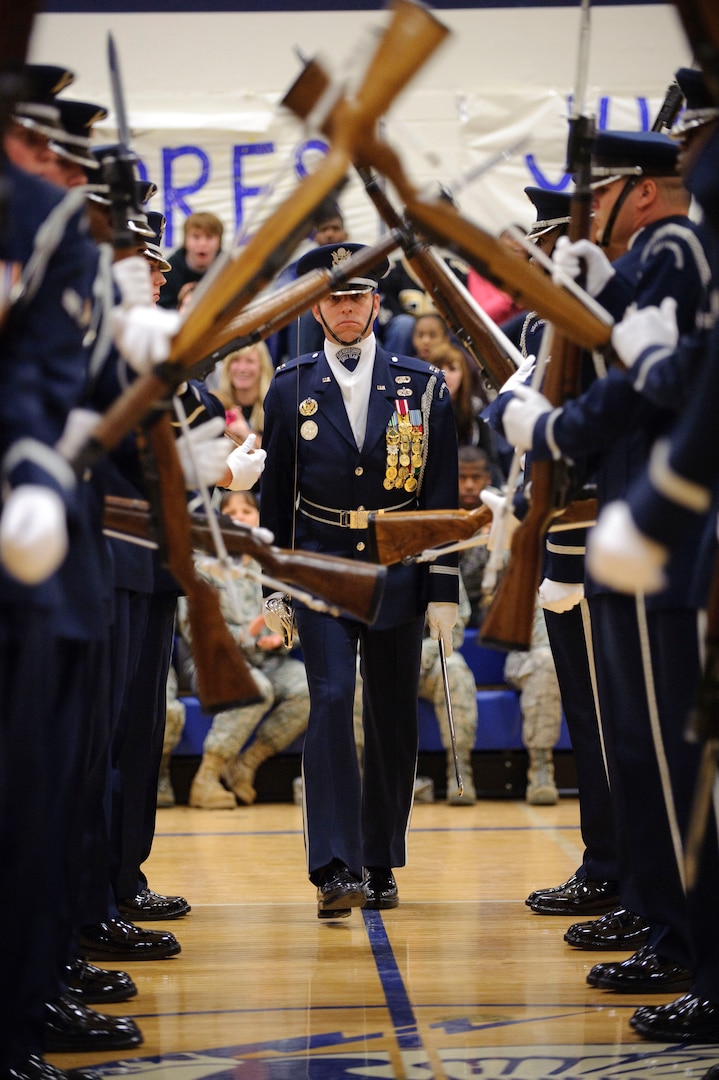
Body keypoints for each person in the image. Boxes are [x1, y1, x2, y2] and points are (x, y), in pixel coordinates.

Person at [493, 127, 714, 1028]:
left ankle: (691, 950)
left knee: (672, 764)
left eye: (598, 197)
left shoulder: (674, 247)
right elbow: (622, 346)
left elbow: (653, 381)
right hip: (632, 527)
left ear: (645, 192)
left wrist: (548, 434)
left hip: (664, 529)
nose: (583, 214)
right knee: (641, 751)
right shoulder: (656, 259)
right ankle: (671, 933)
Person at [0, 62, 143, 1077]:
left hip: (56, 560)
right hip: (35, 547)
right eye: (42, 148)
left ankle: (30, 991)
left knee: (47, 794)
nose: (54, 172)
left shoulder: (52, 247)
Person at [260, 241, 460, 918]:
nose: (346, 309)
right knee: (330, 697)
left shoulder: (423, 384)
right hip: (318, 564)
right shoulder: (288, 385)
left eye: (357, 296)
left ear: (376, 301)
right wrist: (275, 583)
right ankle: (333, 866)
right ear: (315, 306)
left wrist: (441, 590)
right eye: (334, 297)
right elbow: (273, 498)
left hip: (396, 566)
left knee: (391, 717)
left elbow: (438, 500)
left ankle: (378, 860)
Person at [176, 490, 310, 809]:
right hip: (214, 663)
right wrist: (245, 635)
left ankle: (246, 765)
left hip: (268, 659)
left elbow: (299, 615)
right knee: (255, 689)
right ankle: (206, 778)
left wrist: (284, 635)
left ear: (260, 519)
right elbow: (193, 628)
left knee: (311, 687)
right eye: (229, 512)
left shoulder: (273, 563)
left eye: (246, 511)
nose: (238, 517)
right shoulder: (202, 564)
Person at [265, 195, 349, 366]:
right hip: (307, 333)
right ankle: (299, 376)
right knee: (307, 314)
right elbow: (278, 304)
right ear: (315, 236)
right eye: (324, 229)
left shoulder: (360, 264)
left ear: (345, 234)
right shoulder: (297, 270)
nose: (330, 234)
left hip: (349, 325)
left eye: (335, 228)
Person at [156, 210, 224, 310]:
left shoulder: (231, 268)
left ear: (219, 242)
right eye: (196, 237)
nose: (202, 243)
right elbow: (160, 311)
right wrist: (181, 304)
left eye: (209, 237)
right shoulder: (168, 272)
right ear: (185, 241)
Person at [216, 341, 275, 451]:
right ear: (227, 367)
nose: (242, 368)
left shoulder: (275, 406)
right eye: (236, 360)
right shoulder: (216, 405)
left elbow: (280, 455)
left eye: (250, 361)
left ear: (262, 367)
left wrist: (247, 434)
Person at [466, 224, 528, 325]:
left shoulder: (531, 278)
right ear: (498, 244)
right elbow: (481, 314)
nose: (518, 242)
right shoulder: (480, 270)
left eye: (524, 239)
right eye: (511, 237)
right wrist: (512, 296)